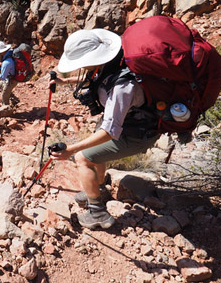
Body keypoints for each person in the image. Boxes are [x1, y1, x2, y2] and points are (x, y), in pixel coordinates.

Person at [48, 29, 161, 230]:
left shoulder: (122, 86)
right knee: (93, 151)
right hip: (129, 126)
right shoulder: (110, 64)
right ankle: (99, 189)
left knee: (83, 157)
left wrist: (72, 150)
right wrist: (65, 81)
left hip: (136, 135)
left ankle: (98, 213)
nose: (80, 66)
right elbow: (96, 79)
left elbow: (110, 132)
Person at [0, 41, 19, 106]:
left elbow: (2, 77)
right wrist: (0, 64)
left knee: (4, 97)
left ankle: (7, 110)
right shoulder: (10, 54)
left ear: (2, 52)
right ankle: (14, 99)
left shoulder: (6, 62)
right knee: (0, 85)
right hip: (11, 77)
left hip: (12, 80)